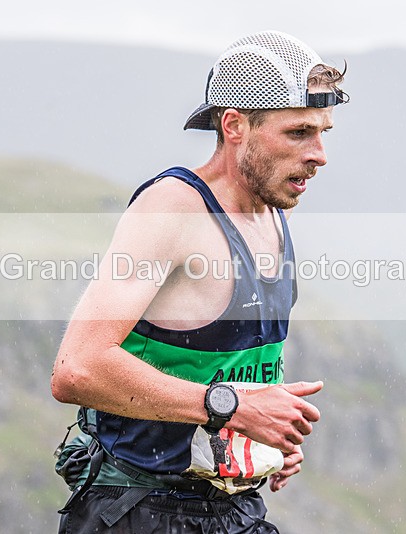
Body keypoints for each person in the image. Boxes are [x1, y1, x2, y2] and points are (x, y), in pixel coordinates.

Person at [51, 30, 348, 533]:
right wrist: (234, 409)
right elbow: (76, 369)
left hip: (236, 511)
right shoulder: (175, 207)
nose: (320, 153)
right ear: (234, 125)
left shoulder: (274, 215)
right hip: (137, 510)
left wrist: (262, 438)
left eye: (323, 131)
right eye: (298, 132)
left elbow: (229, 366)